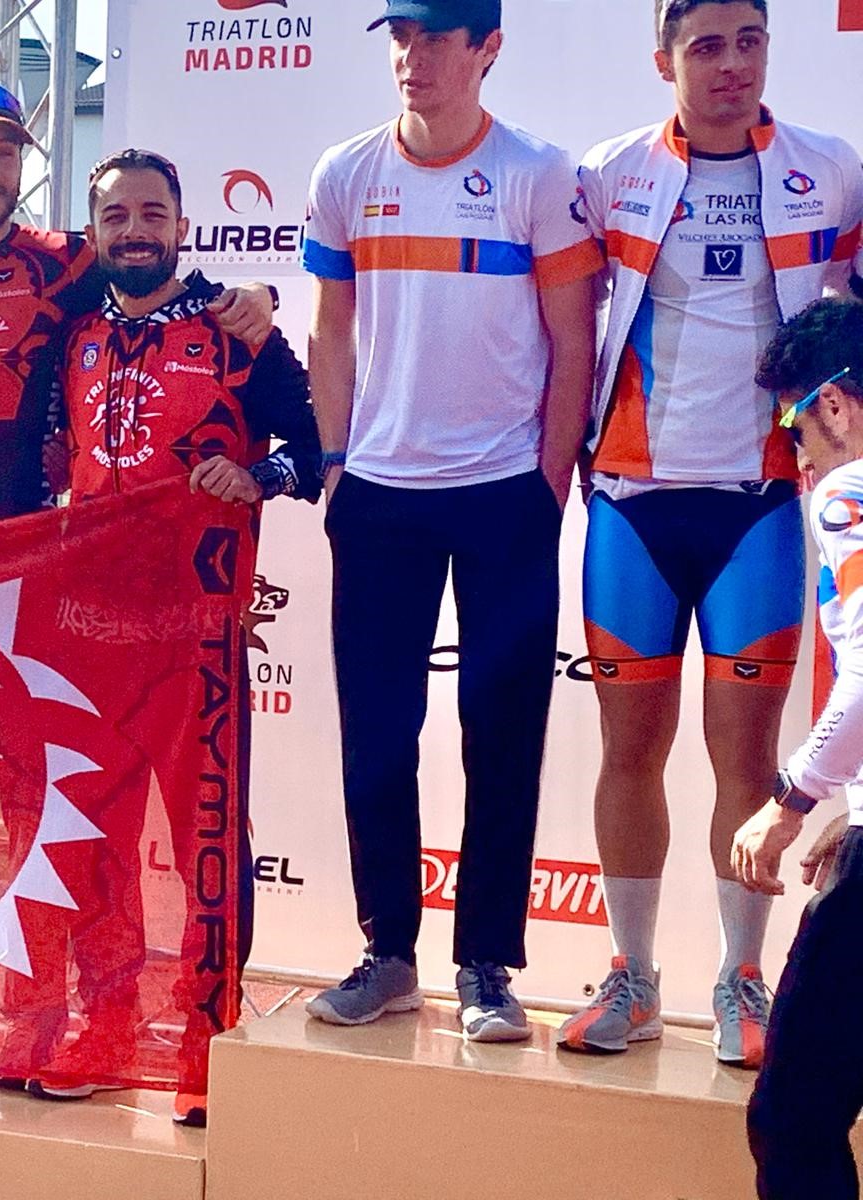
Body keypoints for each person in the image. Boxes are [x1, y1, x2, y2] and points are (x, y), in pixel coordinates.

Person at [558, 0, 863, 1068]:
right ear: (664, 60)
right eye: (705, 46)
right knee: (628, 750)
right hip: (633, 500)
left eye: (749, 42)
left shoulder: (830, 170)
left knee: (747, 756)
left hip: (759, 500)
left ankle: (743, 980)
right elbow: (551, 314)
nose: (731, 65)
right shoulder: (610, 172)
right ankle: (633, 977)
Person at [301, 0, 600, 1041]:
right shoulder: (345, 171)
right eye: (400, 38)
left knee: (501, 733)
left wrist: (546, 482)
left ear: (487, 50)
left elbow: (573, 339)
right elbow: (330, 330)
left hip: (503, 492)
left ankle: (486, 966)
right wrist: (336, 464)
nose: (411, 58)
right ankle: (388, 953)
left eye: (435, 39)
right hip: (379, 495)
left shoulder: (538, 174)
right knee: (379, 736)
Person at [25, 148, 321, 1127]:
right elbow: (45, 460)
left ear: (183, 227)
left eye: (153, 213)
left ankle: (208, 1037)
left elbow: (318, 444)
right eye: (116, 216)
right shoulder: (72, 335)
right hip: (88, 634)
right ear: (95, 232)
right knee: (92, 837)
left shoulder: (235, 331)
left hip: (196, 630)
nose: (135, 230)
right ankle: (105, 1025)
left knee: (207, 839)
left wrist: (259, 478)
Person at [0, 82, 277, 536]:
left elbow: (155, 288)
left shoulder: (65, 260)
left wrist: (259, 293)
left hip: (18, 539)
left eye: (5, 154)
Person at [731, 296, 863, 1200]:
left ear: (836, 407)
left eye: (793, 426)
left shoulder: (847, 494)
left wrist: (790, 800)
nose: (796, 455)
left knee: (791, 1117)